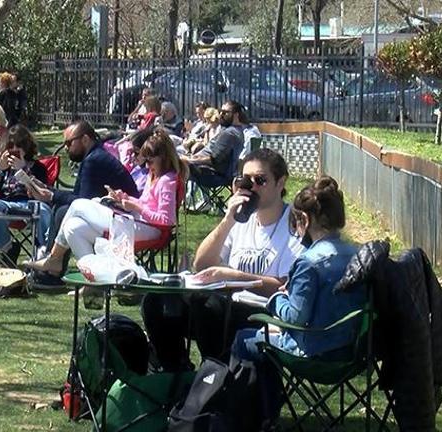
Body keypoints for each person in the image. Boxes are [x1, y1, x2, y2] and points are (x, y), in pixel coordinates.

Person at [142, 148, 305, 372]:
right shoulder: (241, 218)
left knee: (209, 305)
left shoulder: (294, 226)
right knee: (157, 301)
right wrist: (228, 219)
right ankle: (177, 376)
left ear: (280, 182)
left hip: (263, 315)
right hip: (221, 308)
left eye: (260, 180)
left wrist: (235, 277)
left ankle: (216, 380)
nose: (251, 188)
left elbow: (286, 288)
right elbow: (202, 264)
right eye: (245, 181)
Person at [231, 175, 365, 421]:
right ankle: (266, 410)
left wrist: (276, 299)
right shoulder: (359, 256)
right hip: (353, 352)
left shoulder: (308, 263)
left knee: (244, 339)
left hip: (314, 352)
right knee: (262, 337)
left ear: (304, 219)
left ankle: (254, 416)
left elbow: (296, 316)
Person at [26, 128, 185, 273]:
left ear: (163, 158)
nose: (147, 166)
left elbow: (167, 220)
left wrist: (136, 206)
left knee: (78, 205)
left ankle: (54, 258)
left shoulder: (167, 180)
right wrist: (124, 198)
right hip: (137, 223)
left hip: (152, 231)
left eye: (150, 161)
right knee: (73, 227)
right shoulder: (154, 176)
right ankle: (94, 279)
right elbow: (145, 203)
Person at [21, 120, 140, 288]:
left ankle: (53, 268)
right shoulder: (94, 156)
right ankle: (56, 266)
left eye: (69, 143)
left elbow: (82, 201)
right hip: (113, 213)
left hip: (126, 219)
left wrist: (51, 195)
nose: (66, 148)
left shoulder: (94, 160)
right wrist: (49, 191)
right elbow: (80, 198)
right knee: (63, 210)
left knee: (63, 210)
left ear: (85, 139)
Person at [0, 125, 53, 264]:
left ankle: (43, 251)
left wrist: (23, 169)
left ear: (26, 147)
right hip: (7, 203)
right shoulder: (4, 168)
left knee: (43, 210)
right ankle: (6, 248)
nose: (15, 149)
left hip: (30, 203)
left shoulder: (38, 167)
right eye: (11, 146)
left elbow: (42, 192)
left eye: (19, 146)